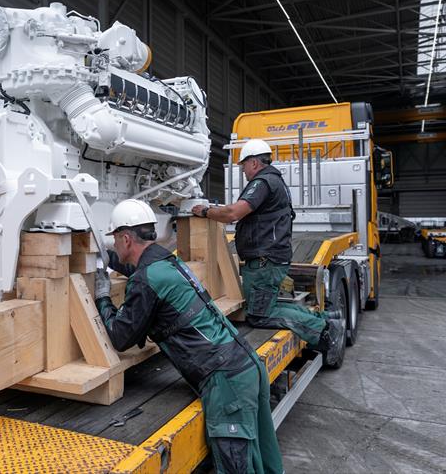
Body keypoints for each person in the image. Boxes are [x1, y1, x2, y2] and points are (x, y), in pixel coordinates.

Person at [94, 199, 284, 474]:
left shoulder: (147, 279)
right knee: (265, 459)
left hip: (226, 383)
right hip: (245, 366)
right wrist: (110, 260)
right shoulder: (167, 261)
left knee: (236, 467)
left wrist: (102, 297)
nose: (113, 244)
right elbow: (143, 275)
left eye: (114, 240)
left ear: (125, 238)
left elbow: (120, 337)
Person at [191, 139, 343, 365]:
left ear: (254, 162)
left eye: (243, 165)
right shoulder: (274, 181)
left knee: (259, 315)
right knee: (266, 307)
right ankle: (324, 320)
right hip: (269, 259)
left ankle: (323, 329)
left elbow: (233, 213)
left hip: (265, 261)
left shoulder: (262, 182)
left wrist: (205, 211)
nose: (242, 170)